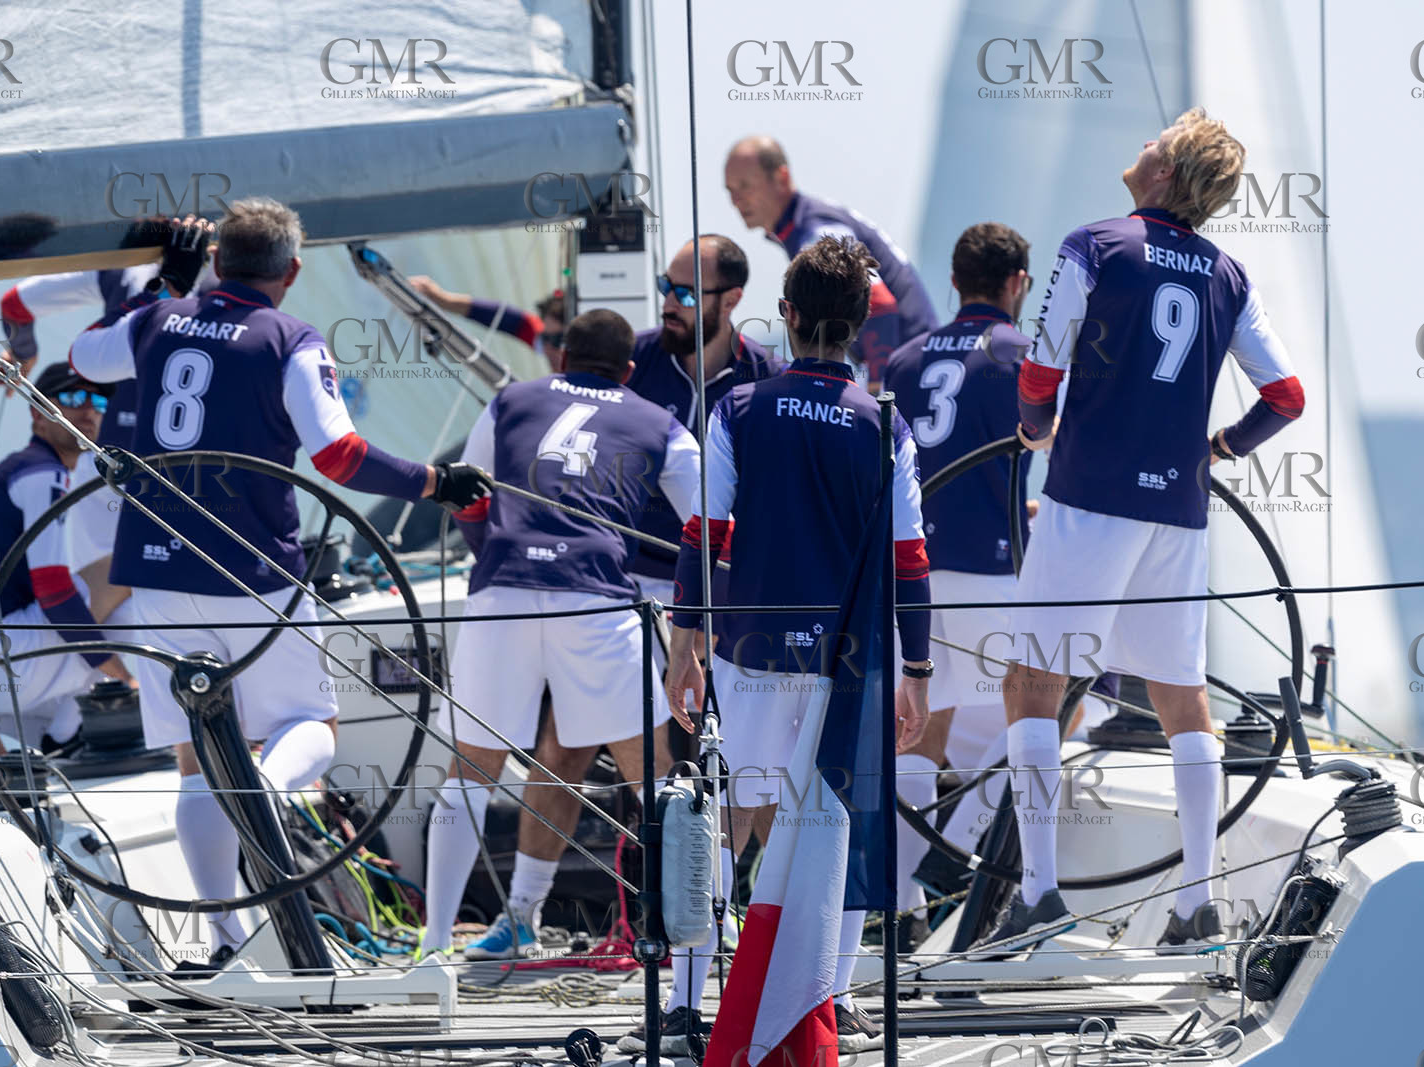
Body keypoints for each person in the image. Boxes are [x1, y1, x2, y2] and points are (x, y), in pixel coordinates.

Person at [69, 199, 489, 970]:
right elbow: (338, 457)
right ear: (292, 272)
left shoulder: (158, 322)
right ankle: (259, 785)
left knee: (195, 759)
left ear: (218, 262)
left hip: (155, 577)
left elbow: (83, 353)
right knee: (313, 729)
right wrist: (436, 481)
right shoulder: (290, 338)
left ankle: (227, 940)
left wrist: (167, 282)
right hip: (251, 573)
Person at [969, 108, 1306, 958]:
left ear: (1165, 173)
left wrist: (1035, 426)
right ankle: (1200, 907)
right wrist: (1219, 448)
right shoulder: (1229, 274)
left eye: (1157, 140)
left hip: (1089, 499)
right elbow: (1287, 396)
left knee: (1030, 686)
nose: (1143, 144)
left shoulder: (1095, 243)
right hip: (1178, 513)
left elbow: (1042, 367)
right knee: (1179, 694)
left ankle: (1041, 897)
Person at [652, 236, 934, 1056]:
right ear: (855, 329)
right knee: (836, 826)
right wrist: (916, 669)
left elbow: (704, 532)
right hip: (852, 667)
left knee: (724, 823)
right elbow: (909, 560)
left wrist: (683, 641)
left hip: (751, 656)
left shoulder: (739, 407)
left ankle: (681, 1005)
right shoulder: (886, 424)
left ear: (790, 315)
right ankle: (830, 1007)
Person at [419, 309, 702, 962]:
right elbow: (712, 528)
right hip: (595, 598)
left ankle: (431, 952)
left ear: (561, 355)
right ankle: (696, 943)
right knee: (653, 779)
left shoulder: (511, 399)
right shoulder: (660, 421)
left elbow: (467, 496)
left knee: (469, 773)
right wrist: (696, 624)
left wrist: (495, 555)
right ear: (630, 372)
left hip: (502, 592)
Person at [882, 222, 1034, 932]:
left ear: (954, 281)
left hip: (911, 570)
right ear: (1017, 284)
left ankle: (903, 899)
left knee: (921, 726)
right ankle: (950, 855)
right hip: (990, 562)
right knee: (1039, 707)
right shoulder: (1020, 355)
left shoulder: (904, 361)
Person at [0, 223, 218, 626]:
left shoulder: (114, 268)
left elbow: (15, 304)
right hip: (195, 472)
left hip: (105, 465)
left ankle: (109, 679)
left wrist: (24, 351)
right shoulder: (228, 272)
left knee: (105, 601)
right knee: (190, 608)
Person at [0, 365, 133, 786]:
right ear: (38, 412)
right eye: (72, 400)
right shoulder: (43, 475)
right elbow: (54, 592)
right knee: (132, 574)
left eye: (98, 401)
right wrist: (118, 671)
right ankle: (66, 736)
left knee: (103, 590)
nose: (89, 411)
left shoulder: (15, 469)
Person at [624, 235, 781, 602]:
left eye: (687, 295)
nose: (668, 304)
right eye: (665, 287)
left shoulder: (768, 380)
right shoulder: (630, 361)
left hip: (722, 584)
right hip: (629, 577)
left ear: (731, 300)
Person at [725, 135, 937, 391]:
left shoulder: (818, 230)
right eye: (731, 191)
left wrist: (877, 393)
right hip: (919, 365)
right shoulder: (804, 224)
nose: (736, 201)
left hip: (916, 372)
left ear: (781, 178)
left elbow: (880, 305)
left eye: (745, 186)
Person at [408, 278, 567, 372]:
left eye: (557, 340)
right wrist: (442, 299)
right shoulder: (539, 338)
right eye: (544, 337)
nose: (547, 346)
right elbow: (495, 315)